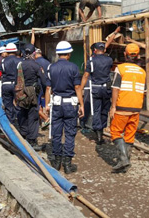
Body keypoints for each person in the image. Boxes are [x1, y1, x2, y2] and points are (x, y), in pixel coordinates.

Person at [45, 41, 84, 174]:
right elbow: (77, 87)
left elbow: (48, 88)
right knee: (70, 133)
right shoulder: (73, 67)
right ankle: (67, 164)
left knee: (56, 133)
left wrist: (46, 104)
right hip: (70, 104)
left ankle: (56, 162)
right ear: (68, 54)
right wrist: (81, 104)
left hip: (56, 103)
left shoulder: (51, 67)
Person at [109, 43, 146, 173]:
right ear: (138, 55)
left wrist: (113, 106)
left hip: (122, 106)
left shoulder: (120, 69)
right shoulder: (142, 71)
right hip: (136, 108)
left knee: (115, 132)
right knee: (130, 134)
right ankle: (125, 162)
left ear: (125, 54)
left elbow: (115, 88)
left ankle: (123, 159)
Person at [80, 42, 113, 145]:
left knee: (96, 110)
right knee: (105, 110)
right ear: (104, 50)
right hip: (107, 89)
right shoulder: (109, 60)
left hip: (96, 89)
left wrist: (81, 88)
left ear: (94, 50)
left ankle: (98, 133)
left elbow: (86, 75)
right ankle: (101, 130)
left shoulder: (91, 61)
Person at [15, 44, 47, 150]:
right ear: (34, 53)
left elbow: (17, 79)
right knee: (33, 116)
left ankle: (23, 134)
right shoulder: (36, 65)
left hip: (21, 93)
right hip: (33, 93)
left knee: (22, 113)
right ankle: (32, 140)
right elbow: (43, 81)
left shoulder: (20, 64)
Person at [1, 43, 21, 123]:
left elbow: (1, 73)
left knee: (8, 105)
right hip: (17, 85)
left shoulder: (3, 61)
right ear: (16, 51)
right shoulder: (20, 61)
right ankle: (19, 123)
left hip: (6, 84)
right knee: (19, 104)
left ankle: (11, 124)